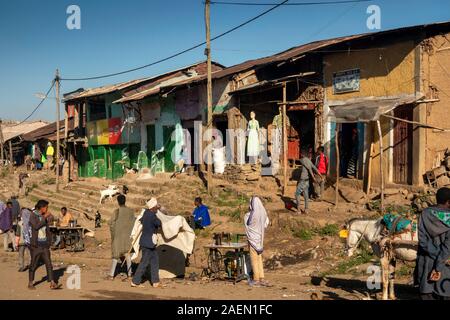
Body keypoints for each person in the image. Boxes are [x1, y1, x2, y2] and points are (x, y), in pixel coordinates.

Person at [417, 187, 450, 300]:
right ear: (448, 202)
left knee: (426, 293)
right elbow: (447, 247)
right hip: (445, 270)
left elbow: (422, 241)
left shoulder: (424, 214)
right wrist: (439, 265)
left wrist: (435, 256)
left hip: (426, 265)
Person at [28, 200, 61, 290]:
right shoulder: (33, 215)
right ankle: (30, 283)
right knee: (33, 264)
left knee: (49, 264)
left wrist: (49, 217)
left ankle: (52, 282)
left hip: (44, 245)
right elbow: (36, 226)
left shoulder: (44, 216)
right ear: (41, 207)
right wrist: (44, 218)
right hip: (36, 245)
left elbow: (49, 223)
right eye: (46, 207)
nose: (47, 209)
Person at [131, 198, 162, 288]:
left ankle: (155, 282)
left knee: (155, 260)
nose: (157, 207)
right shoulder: (152, 215)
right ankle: (135, 281)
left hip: (146, 242)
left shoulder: (146, 213)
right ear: (153, 207)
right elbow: (158, 223)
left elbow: (142, 220)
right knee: (144, 263)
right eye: (156, 206)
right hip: (149, 243)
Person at [108, 195, 135, 280]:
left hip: (118, 237)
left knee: (116, 255)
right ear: (125, 201)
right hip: (128, 237)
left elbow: (111, 224)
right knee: (127, 254)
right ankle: (130, 274)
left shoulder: (116, 211)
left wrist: (113, 235)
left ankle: (111, 275)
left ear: (118, 202)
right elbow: (134, 223)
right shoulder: (131, 211)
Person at [244, 196, 270, 287]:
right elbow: (266, 223)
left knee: (254, 260)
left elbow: (248, 224)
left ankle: (256, 279)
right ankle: (261, 277)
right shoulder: (263, 214)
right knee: (259, 259)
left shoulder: (248, 215)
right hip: (260, 239)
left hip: (252, 240)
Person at [296, 150, 322, 214]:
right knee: (306, 195)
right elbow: (315, 168)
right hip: (307, 180)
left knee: (297, 194)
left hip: (302, 180)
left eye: (301, 154)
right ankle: (306, 210)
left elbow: (310, 169)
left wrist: (313, 178)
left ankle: (299, 210)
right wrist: (320, 175)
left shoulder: (303, 160)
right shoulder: (309, 161)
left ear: (302, 154)